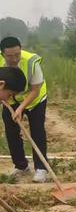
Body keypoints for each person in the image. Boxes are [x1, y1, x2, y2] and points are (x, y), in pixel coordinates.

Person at [0, 37, 49, 183]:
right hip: (10, 99)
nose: (14, 59)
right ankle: (21, 166)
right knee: (11, 130)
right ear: (2, 54)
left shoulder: (31, 62)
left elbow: (35, 89)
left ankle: (41, 168)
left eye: (17, 54)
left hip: (35, 99)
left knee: (37, 130)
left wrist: (21, 108)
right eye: (10, 56)